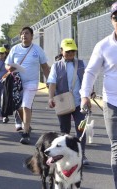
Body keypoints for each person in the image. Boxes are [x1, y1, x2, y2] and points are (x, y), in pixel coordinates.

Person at [80, 2, 117, 186]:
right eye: (116, 16)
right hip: (112, 104)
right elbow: (91, 72)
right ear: (112, 20)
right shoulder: (103, 46)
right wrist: (85, 95)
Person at [5, 26, 50, 145]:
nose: (24, 35)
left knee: (26, 106)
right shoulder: (15, 49)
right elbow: (7, 65)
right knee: (19, 107)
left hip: (31, 82)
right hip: (16, 82)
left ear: (31, 36)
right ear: (20, 36)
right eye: (22, 33)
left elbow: (45, 67)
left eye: (27, 33)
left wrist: (49, 80)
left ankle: (25, 133)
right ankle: (27, 125)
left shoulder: (37, 50)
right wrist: (9, 68)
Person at [47, 38, 88, 165]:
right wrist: (50, 97)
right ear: (61, 51)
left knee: (81, 128)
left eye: (73, 51)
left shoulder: (81, 63)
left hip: (79, 102)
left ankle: (81, 155)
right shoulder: (56, 66)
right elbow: (52, 83)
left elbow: (87, 80)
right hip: (62, 102)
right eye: (67, 51)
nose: (70, 54)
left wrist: (89, 94)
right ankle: (65, 155)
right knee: (65, 130)